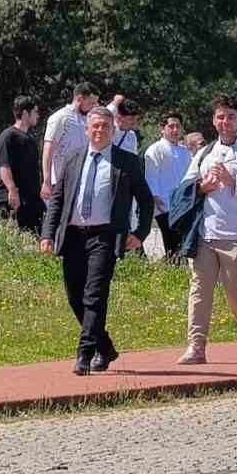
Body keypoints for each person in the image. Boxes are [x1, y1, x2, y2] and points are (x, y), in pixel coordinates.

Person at [39, 106, 154, 375]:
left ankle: (85, 353)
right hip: (73, 236)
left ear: (113, 130)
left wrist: (140, 234)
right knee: (75, 296)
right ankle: (105, 347)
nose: (100, 130)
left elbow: (146, 200)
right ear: (87, 130)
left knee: (95, 295)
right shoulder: (74, 158)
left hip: (105, 236)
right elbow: (58, 199)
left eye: (105, 126)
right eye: (95, 126)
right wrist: (47, 233)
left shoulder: (127, 162)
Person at [176, 94, 237, 365]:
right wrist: (201, 187)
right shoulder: (205, 152)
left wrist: (235, 181)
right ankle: (196, 347)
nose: (225, 122)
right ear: (213, 121)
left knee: (234, 290)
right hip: (206, 232)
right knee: (199, 288)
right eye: (220, 117)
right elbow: (186, 185)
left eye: (231, 117)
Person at [143, 111, 192, 258]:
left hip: (183, 205)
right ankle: (172, 269)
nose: (175, 130)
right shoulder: (155, 149)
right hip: (165, 205)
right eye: (171, 126)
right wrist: (157, 199)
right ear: (162, 129)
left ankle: (177, 269)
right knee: (172, 244)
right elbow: (151, 177)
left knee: (182, 245)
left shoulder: (185, 152)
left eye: (178, 126)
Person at [0, 96, 45, 235]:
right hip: (15, 200)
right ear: (25, 113)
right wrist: (12, 191)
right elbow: (4, 166)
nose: (38, 116)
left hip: (31, 201)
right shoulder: (8, 136)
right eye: (35, 112)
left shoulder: (30, 139)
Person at [41, 83, 98, 198]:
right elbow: (48, 149)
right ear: (79, 99)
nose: (94, 106)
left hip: (82, 181)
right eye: (91, 103)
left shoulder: (89, 119)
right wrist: (46, 181)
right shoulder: (60, 117)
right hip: (61, 182)